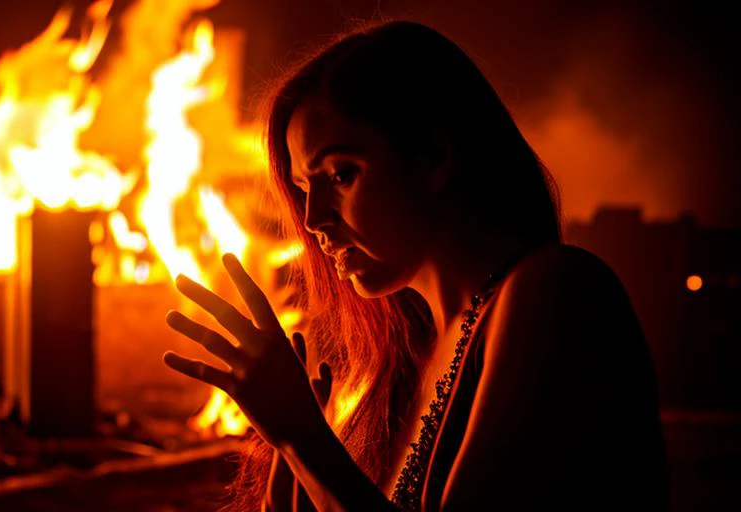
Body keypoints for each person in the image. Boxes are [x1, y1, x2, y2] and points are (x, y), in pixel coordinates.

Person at [163, 21, 669, 511]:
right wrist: (289, 463)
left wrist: (302, 438)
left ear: (434, 158)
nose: (314, 220)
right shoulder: (401, 365)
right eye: (302, 190)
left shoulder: (555, 291)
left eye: (341, 174)